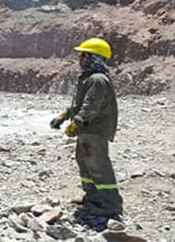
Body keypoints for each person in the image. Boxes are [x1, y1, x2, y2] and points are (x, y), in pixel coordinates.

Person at [50, 37, 122, 217]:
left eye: (83, 55)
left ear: (93, 57)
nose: (79, 59)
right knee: (84, 162)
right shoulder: (89, 78)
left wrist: (77, 122)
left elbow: (91, 106)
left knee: (98, 165)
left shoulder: (98, 79)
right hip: (87, 130)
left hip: (95, 130)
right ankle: (93, 197)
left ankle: (111, 203)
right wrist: (64, 116)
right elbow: (80, 104)